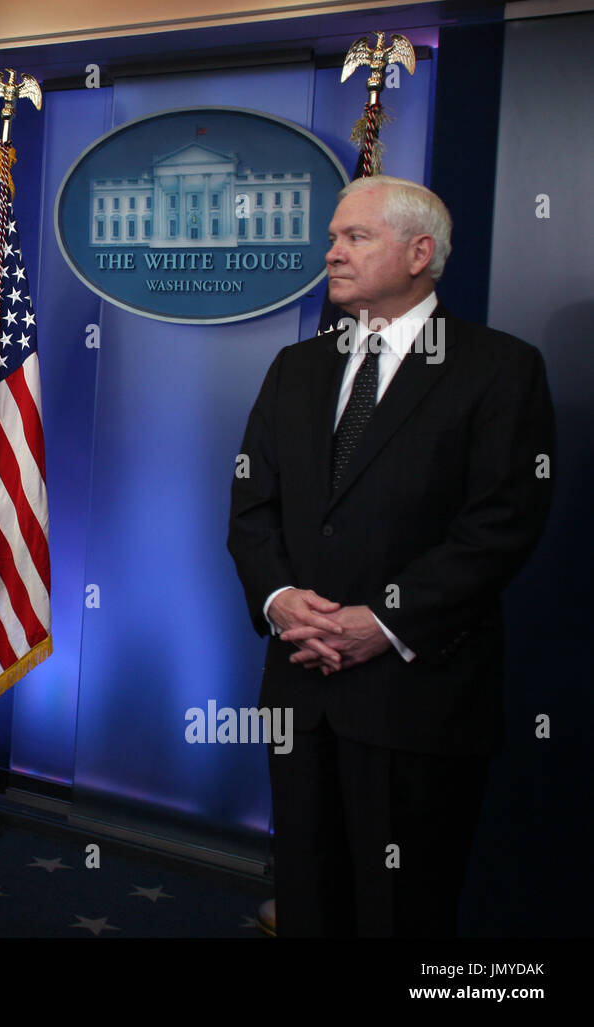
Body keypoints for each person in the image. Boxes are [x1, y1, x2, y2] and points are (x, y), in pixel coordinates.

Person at [227, 175, 555, 937]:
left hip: (420, 702)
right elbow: (252, 508)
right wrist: (280, 602)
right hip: (302, 691)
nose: (331, 252)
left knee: (402, 911)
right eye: (334, 236)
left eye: (354, 237)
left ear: (419, 252)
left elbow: (501, 525)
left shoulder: (500, 368)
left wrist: (384, 620)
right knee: (308, 903)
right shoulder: (295, 367)